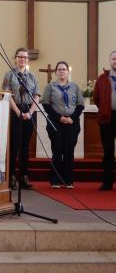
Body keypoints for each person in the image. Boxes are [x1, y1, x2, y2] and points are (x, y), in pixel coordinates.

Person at [42, 61, 84, 189]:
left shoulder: (75, 87)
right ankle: (55, 180)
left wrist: (72, 118)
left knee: (69, 151)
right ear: (56, 72)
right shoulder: (50, 87)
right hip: (56, 122)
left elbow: (80, 105)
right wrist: (59, 118)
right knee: (57, 150)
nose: (62, 71)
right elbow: (46, 104)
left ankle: (68, 180)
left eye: (64, 69)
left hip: (72, 123)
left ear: (67, 71)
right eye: (59, 69)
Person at [2, 47, 40, 190]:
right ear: (15, 58)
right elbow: (7, 94)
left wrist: (30, 112)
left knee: (25, 146)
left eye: (25, 57)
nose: (22, 59)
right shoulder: (9, 75)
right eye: (20, 57)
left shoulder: (32, 77)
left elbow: (36, 96)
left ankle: (24, 176)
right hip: (14, 110)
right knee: (14, 145)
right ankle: (11, 177)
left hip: (29, 111)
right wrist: (18, 112)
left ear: (27, 60)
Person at [94, 50, 116, 191]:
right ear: (110, 61)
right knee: (108, 151)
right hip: (107, 118)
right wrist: (105, 109)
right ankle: (107, 182)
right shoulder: (102, 78)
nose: (115, 61)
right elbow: (96, 98)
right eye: (113, 59)